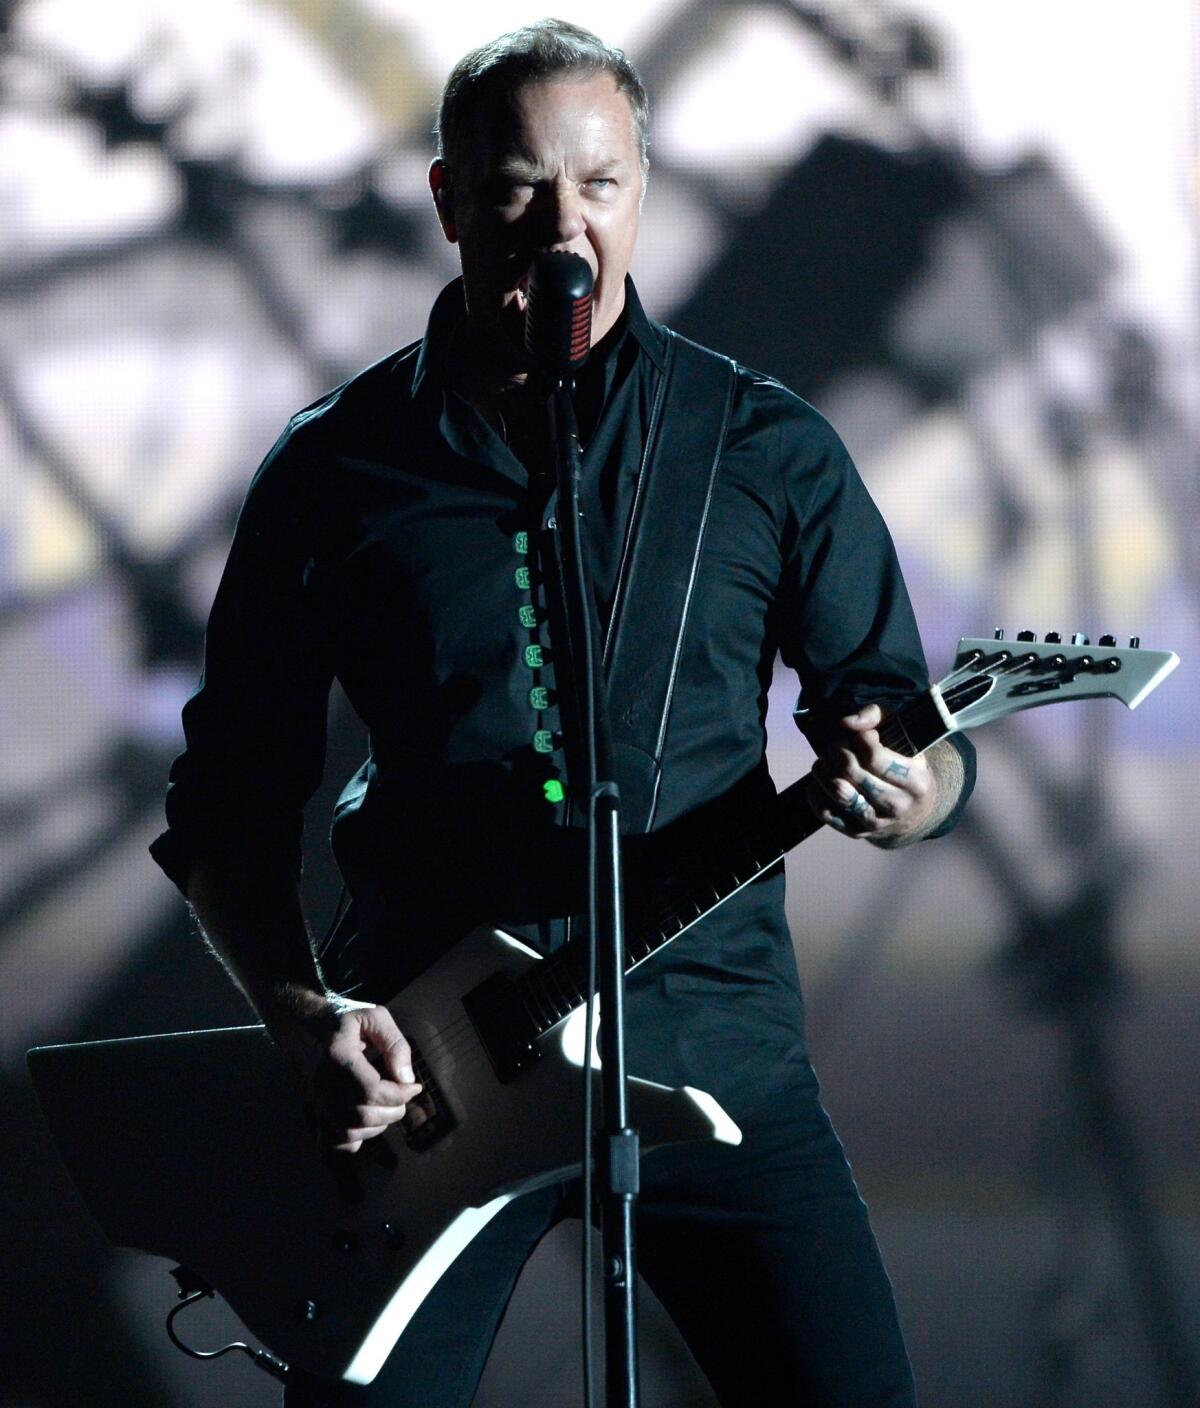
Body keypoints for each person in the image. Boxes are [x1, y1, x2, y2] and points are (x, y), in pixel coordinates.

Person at [151, 19, 974, 1407]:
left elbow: (907, 729)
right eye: (523, 187)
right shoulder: (338, 467)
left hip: (711, 1046)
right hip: (432, 1068)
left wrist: (913, 793)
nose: (566, 226)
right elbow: (228, 807)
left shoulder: (762, 448)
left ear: (643, 189)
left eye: (601, 186)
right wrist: (301, 1015)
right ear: (449, 200)